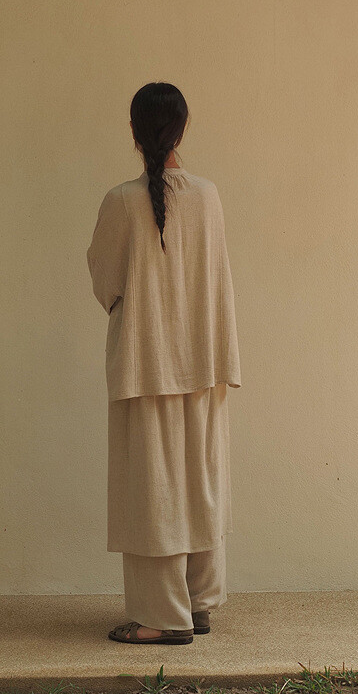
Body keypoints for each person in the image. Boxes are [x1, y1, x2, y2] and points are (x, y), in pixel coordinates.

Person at [86, 82, 242, 645]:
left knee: (153, 489)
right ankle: (198, 604)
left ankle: (161, 616)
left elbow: (105, 280)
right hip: (203, 360)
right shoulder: (209, 196)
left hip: (146, 361)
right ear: (183, 128)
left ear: (134, 131)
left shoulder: (120, 201)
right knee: (200, 481)